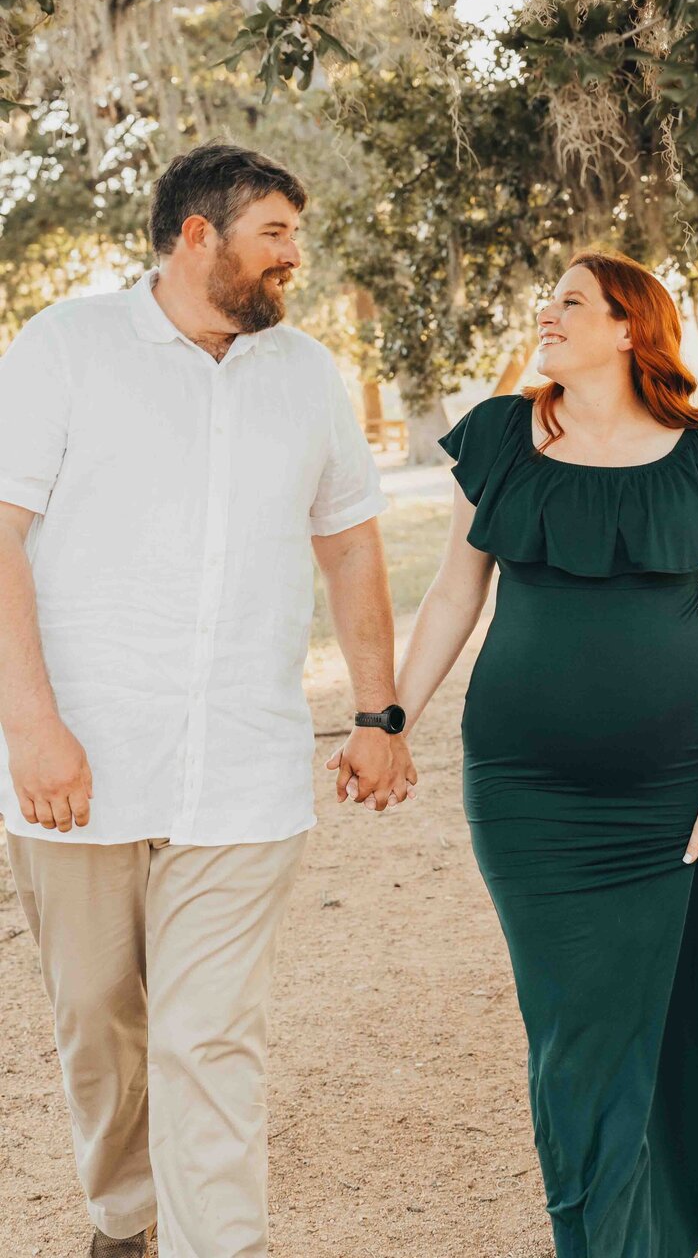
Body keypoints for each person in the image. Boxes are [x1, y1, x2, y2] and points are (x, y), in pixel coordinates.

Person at [0, 142, 416, 1258]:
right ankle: (124, 1218)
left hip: (242, 766)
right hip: (76, 758)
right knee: (98, 1022)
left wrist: (379, 716)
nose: (295, 256)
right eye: (275, 233)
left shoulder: (306, 377)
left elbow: (350, 545)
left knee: (206, 1035)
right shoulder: (65, 350)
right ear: (199, 233)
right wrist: (31, 727)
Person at [337, 249, 698, 1257]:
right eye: (546, 298)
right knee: (573, 1026)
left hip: (669, 791)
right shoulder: (499, 436)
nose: (546, 311)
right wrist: (389, 718)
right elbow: (456, 592)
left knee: (648, 1010)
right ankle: (596, 1234)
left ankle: (648, 1220)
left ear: (629, 328)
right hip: (527, 791)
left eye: (571, 301)